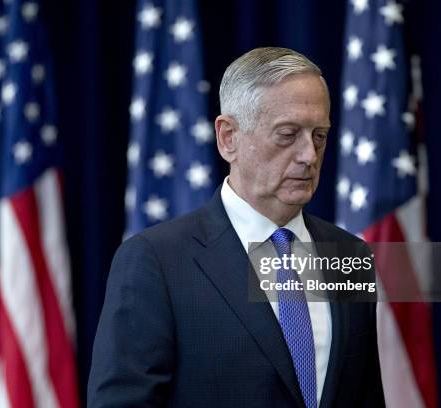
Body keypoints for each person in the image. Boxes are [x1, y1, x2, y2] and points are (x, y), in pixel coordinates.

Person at [87, 47, 385, 407]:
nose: (309, 155)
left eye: (319, 136)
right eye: (288, 134)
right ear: (228, 137)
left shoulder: (350, 255)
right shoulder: (156, 261)